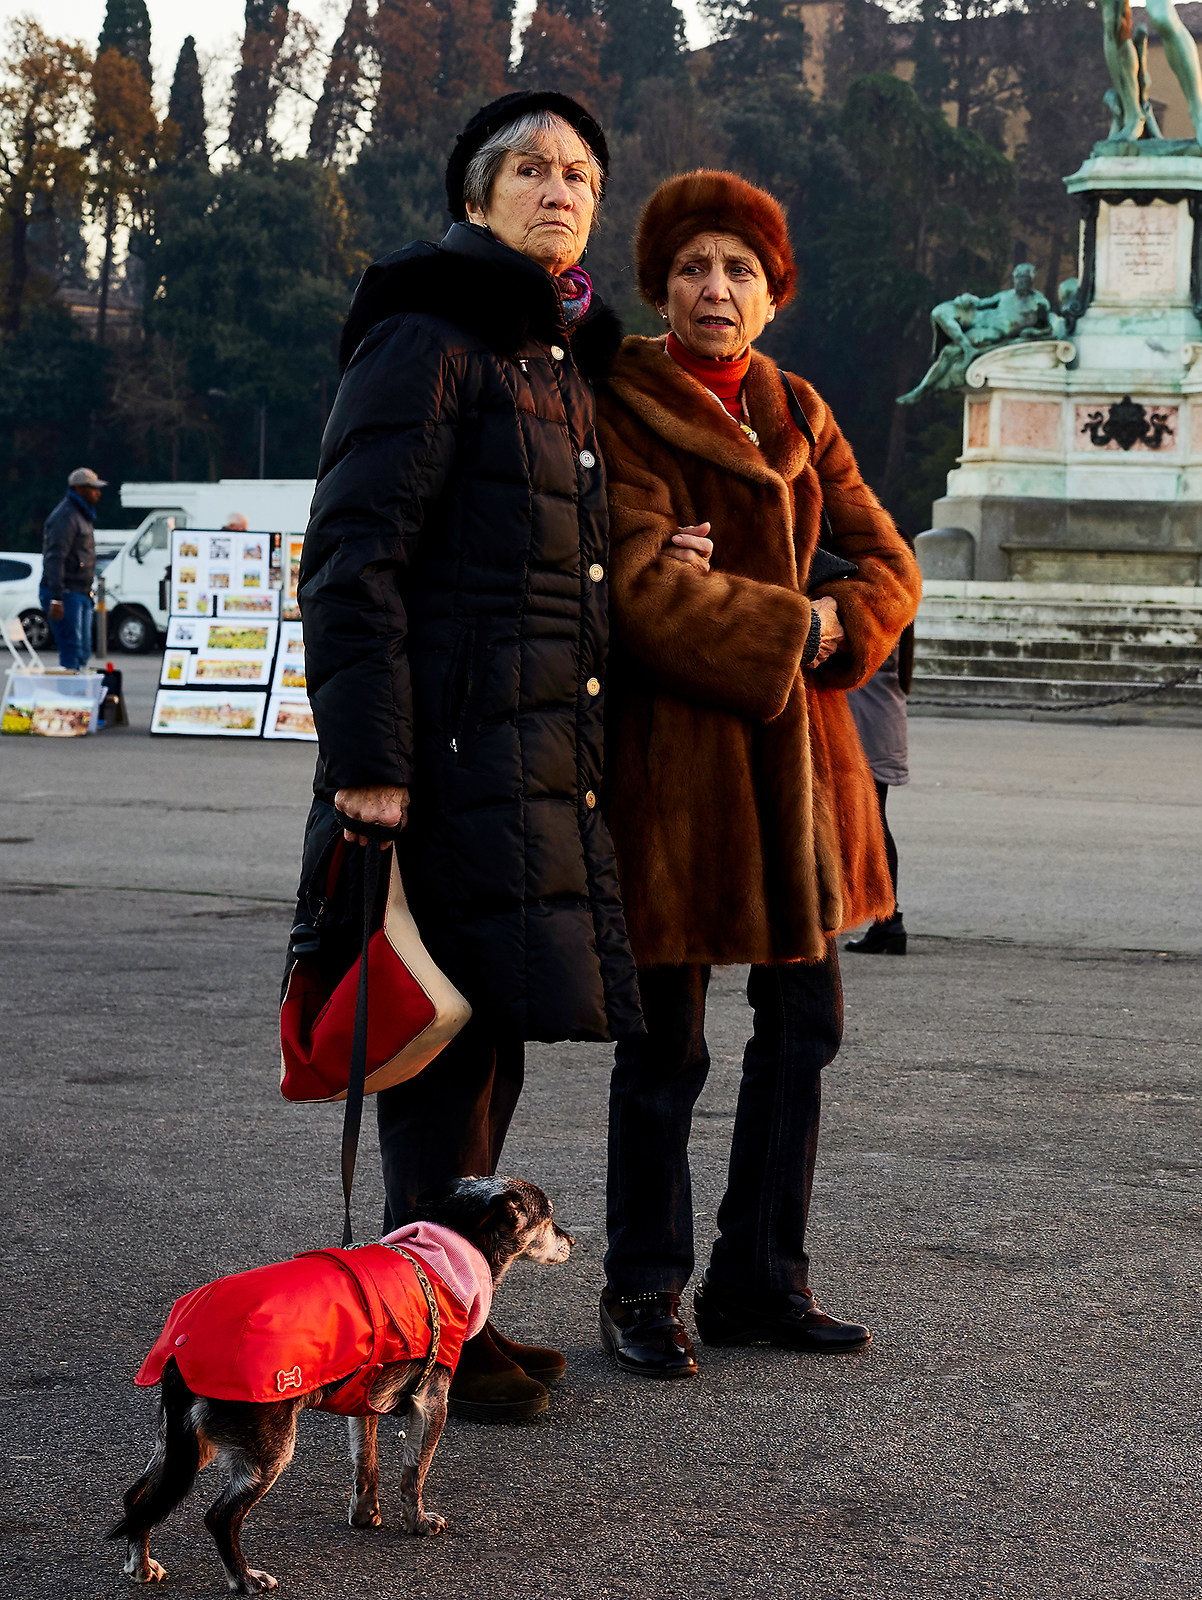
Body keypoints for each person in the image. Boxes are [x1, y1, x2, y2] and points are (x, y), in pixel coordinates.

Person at [300, 90, 634, 1425]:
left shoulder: (554, 360)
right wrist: (368, 763)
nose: (561, 191)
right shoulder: (428, 338)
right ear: (478, 196)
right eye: (532, 171)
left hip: (534, 757)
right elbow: (352, 564)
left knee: (485, 1038)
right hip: (437, 763)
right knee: (436, 1048)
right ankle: (426, 1334)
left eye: (581, 176)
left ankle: (443, 1318)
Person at [592, 170, 920, 1380]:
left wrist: (838, 625)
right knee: (665, 1049)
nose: (714, 288)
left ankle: (761, 1278)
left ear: (773, 295)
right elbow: (637, 589)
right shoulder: (619, 400)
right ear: (659, 287)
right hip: (675, 778)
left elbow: (890, 558)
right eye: (691, 267)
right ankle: (645, 1286)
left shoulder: (796, 403)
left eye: (738, 269)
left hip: (806, 784)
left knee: (804, 1029)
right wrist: (798, 629)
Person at [846, 623, 914, 956]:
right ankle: (887, 921)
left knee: (873, 824)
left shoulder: (880, 607)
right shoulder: (900, 609)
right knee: (875, 823)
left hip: (867, 724)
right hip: (881, 722)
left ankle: (888, 920)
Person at [41, 467, 103, 671]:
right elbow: (55, 556)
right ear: (78, 488)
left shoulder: (82, 515)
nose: (97, 492)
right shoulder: (66, 516)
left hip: (80, 591)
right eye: (92, 488)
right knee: (72, 649)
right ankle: (70, 697)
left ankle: (79, 694)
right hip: (65, 592)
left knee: (83, 651)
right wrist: (56, 597)